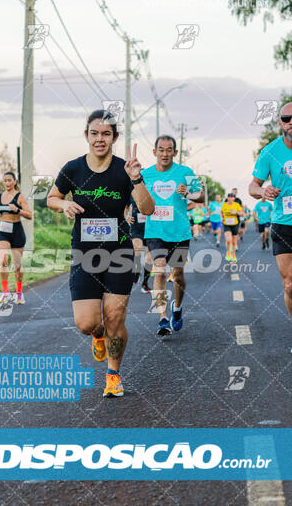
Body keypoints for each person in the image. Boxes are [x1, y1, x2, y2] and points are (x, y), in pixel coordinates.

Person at [47, 110, 154, 397]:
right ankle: (98, 335)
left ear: (114, 138)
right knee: (87, 323)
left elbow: (147, 209)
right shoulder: (72, 169)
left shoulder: (124, 169)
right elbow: (51, 197)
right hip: (85, 253)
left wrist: (137, 179)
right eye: (94, 133)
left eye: (106, 134)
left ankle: (113, 374)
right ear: (86, 135)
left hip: (119, 252)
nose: (100, 139)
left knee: (115, 316)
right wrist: (63, 205)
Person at [249, 101, 292, 354]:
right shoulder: (270, 152)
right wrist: (263, 191)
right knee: (291, 286)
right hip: (284, 227)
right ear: (280, 123)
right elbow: (252, 186)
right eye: (286, 119)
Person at [142, 135, 203, 336]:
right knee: (159, 271)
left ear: (175, 153)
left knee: (177, 275)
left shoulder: (185, 172)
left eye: (169, 150)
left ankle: (176, 308)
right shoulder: (145, 174)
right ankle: (162, 318)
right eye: (161, 149)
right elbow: (135, 197)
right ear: (154, 152)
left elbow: (201, 195)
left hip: (179, 232)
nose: (165, 154)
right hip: (155, 231)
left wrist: (188, 193)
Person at [0, 172, 32, 305]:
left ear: (15, 181)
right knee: (3, 260)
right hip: (3, 231)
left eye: (9, 180)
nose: (7, 183)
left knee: (17, 265)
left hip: (16, 232)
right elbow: (0, 214)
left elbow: (29, 215)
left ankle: (19, 293)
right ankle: (5, 292)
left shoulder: (20, 197)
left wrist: (17, 210)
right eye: (5, 180)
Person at [126, 196, 152, 293]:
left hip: (151, 226)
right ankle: (136, 271)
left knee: (149, 258)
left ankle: (145, 283)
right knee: (137, 249)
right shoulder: (132, 188)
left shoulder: (152, 185)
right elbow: (125, 205)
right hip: (136, 226)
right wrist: (126, 216)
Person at [221, 193, 244, 262]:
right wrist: (221, 217)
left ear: (234, 198)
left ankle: (233, 254)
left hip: (235, 224)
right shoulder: (224, 204)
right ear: (227, 198)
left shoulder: (236, 205)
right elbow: (221, 212)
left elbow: (242, 213)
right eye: (229, 197)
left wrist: (236, 212)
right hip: (226, 224)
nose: (230, 198)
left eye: (232, 197)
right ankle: (228, 253)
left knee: (234, 242)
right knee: (228, 240)